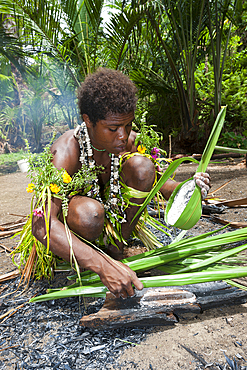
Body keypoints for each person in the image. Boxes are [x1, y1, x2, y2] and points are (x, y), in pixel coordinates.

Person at [32, 68, 210, 299]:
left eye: (127, 125)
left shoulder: (130, 141)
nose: (123, 136)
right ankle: (95, 259)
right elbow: (41, 224)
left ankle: (117, 248)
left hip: (113, 226)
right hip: (80, 228)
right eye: (113, 128)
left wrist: (190, 188)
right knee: (90, 215)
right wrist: (102, 266)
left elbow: (159, 185)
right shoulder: (66, 150)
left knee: (143, 167)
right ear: (88, 120)